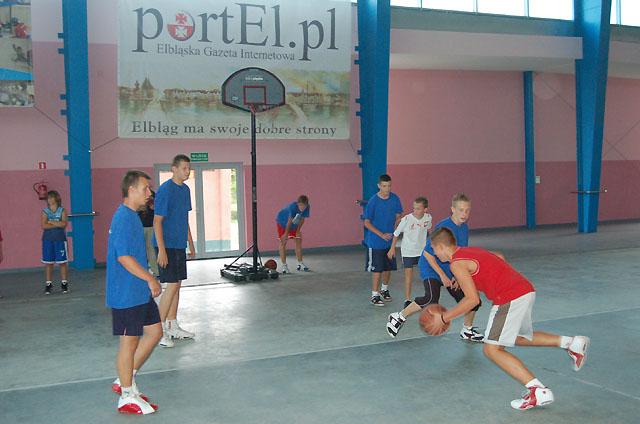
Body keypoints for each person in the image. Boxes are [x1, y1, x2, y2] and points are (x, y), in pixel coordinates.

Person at [421, 227, 589, 410]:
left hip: (509, 298)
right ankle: (571, 343)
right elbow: (498, 256)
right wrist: (480, 277)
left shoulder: (456, 264)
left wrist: (444, 318)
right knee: (515, 337)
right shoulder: (467, 252)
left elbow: (472, 300)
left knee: (492, 349)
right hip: (524, 290)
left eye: (434, 249)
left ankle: (538, 391)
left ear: (441, 246)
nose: (435, 254)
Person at [387, 193, 484, 341]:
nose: (464, 214)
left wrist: (458, 277)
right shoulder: (443, 228)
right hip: (431, 267)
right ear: (453, 209)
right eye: (460, 210)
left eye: (467, 210)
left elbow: (460, 255)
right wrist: (443, 276)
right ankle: (398, 317)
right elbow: (427, 254)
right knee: (431, 298)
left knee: (473, 300)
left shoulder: (464, 228)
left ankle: (467, 330)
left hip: (451, 270)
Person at [107, 170, 162, 415]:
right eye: (145, 189)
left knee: (154, 332)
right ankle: (127, 396)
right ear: (131, 190)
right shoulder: (122, 217)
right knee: (128, 344)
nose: (149, 193)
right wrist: (150, 278)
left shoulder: (133, 216)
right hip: (126, 292)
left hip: (139, 290)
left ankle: (125, 379)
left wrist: (147, 279)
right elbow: (123, 257)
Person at [154, 154, 196, 348]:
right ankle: (159, 331)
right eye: (184, 168)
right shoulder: (165, 190)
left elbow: (184, 219)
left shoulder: (186, 190)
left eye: (189, 168)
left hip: (179, 245)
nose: (187, 171)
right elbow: (157, 221)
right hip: (167, 245)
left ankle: (172, 325)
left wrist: (190, 242)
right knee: (170, 286)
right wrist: (161, 249)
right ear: (174, 169)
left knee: (177, 285)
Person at [364, 174, 403, 306]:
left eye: (389, 186)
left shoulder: (395, 199)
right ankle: (374, 295)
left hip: (390, 241)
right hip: (376, 242)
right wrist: (381, 235)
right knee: (377, 269)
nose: (387, 189)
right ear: (379, 186)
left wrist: (398, 222)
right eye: (384, 186)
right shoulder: (373, 201)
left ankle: (384, 290)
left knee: (388, 267)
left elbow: (399, 215)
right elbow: (367, 223)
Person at [387, 197, 432, 309]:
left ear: (425, 209)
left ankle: (429, 296)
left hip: (421, 250)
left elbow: (427, 230)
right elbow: (396, 234)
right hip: (408, 251)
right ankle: (407, 299)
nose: (415, 211)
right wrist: (392, 248)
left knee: (426, 274)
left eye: (418, 208)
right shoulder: (406, 219)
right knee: (409, 275)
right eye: (414, 208)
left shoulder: (428, 218)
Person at [41, 190, 69, 295]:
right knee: (48, 263)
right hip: (47, 239)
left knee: (62, 262)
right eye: (48, 198)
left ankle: (64, 283)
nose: (49, 200)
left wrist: (51, 221)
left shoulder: (62, 211)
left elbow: (64, 224)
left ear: (56, 198)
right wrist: (57, 223)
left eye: (51, 197)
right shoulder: (45, 211)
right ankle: (48, 284)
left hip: (60, 240)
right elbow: (44, 225)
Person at [276, 195, 310, 273]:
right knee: (283, 242)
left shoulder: (307, 208)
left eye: (304, 206)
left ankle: (300, 263)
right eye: (300, 205)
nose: (302, 207)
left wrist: (298, 231)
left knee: (298, 240)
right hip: (282, 222)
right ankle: (284, 266)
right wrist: (285, 234)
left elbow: (302, 220)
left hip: (293, 224)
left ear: (306, 205)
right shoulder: (293, 207)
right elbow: (289, 221)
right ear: (297, 204)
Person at [138, 189, 159, 277]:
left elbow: (155, 208)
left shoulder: (153, 197)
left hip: (150, 227)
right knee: (142, 250)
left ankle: (156, 271)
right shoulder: (139, 198)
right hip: (140, 227)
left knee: (150, 250)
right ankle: (143, 270)